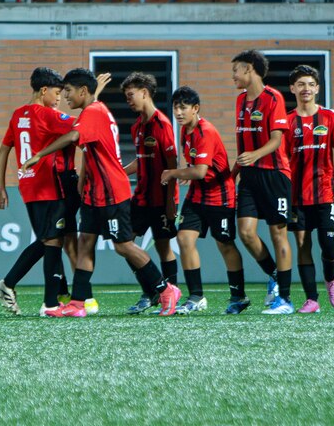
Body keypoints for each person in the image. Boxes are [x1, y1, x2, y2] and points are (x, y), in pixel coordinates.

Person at [22, 68, 181, 318]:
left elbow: (74, 136)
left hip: (111, 193)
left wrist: (39, 154)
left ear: (83, 91)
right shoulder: (93, 110)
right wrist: (83, 182)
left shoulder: (94, 111)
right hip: (93, 194)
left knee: (123, 246)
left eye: (69, 91)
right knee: (85, 243)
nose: (65, 96)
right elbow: (87, 150)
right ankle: (78, 303)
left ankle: (166, 289)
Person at [0, 67, 108, 316]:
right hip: (53, 186)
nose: (59, 99)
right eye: (56, 93)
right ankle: (39, 297)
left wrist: (0, 186)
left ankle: (69, 295)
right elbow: (85, 125)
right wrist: (94, 94)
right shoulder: (49, 115)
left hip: (28, 186)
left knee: (57, 238)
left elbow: (3, 150)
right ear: (43, 90)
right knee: (53, 239)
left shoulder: (18, 115)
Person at [161, 87, 248, 314]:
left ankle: (238, 296)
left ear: (196, 108)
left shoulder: (205, 131)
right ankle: (196, 296)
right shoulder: (185, 130)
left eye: (183, 108)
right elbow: (196, 168)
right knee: (184, 239)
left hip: (220, 196)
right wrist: (186, 172)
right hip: (197, 195)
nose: (178, 112)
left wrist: (173, 173)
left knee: (225, 244)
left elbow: (200, 171)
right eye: (175, 108)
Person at [286, 64, 334, 313]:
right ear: (292, 89)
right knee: (302, 244)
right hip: (296, 196)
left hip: (325, 193)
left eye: (310, 84)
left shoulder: (330, 118)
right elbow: (282, 160)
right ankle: (312, 299)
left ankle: (330, 279)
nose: (306, 88)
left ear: (317, 88)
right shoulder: (287, 122)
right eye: (301, 84)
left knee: (328, 244)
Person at [231, 50, 295, 315]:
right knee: (246, 232)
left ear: (249, 68)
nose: (233, 76)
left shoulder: (273, 97)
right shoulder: (240, 100)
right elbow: (242, 144)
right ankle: (275, 275)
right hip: (249, 176)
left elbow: (277, 140)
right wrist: (233, 173)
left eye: (236, 70)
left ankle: (285, 300)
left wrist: (254, 155)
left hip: (274, 174)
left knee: (278, 234)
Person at [120, 72, 180, 315]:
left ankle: (170, 294)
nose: (128, 101)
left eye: (130, 95)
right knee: (124, 244)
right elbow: (141, 160)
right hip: (141, 198)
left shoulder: (162, 125)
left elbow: (172, 165)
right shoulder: (137, 126)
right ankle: (151, 291)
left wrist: (171, 202)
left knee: (164, 248)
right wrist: (120, 172)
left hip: (161, 200)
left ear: (144, 92)